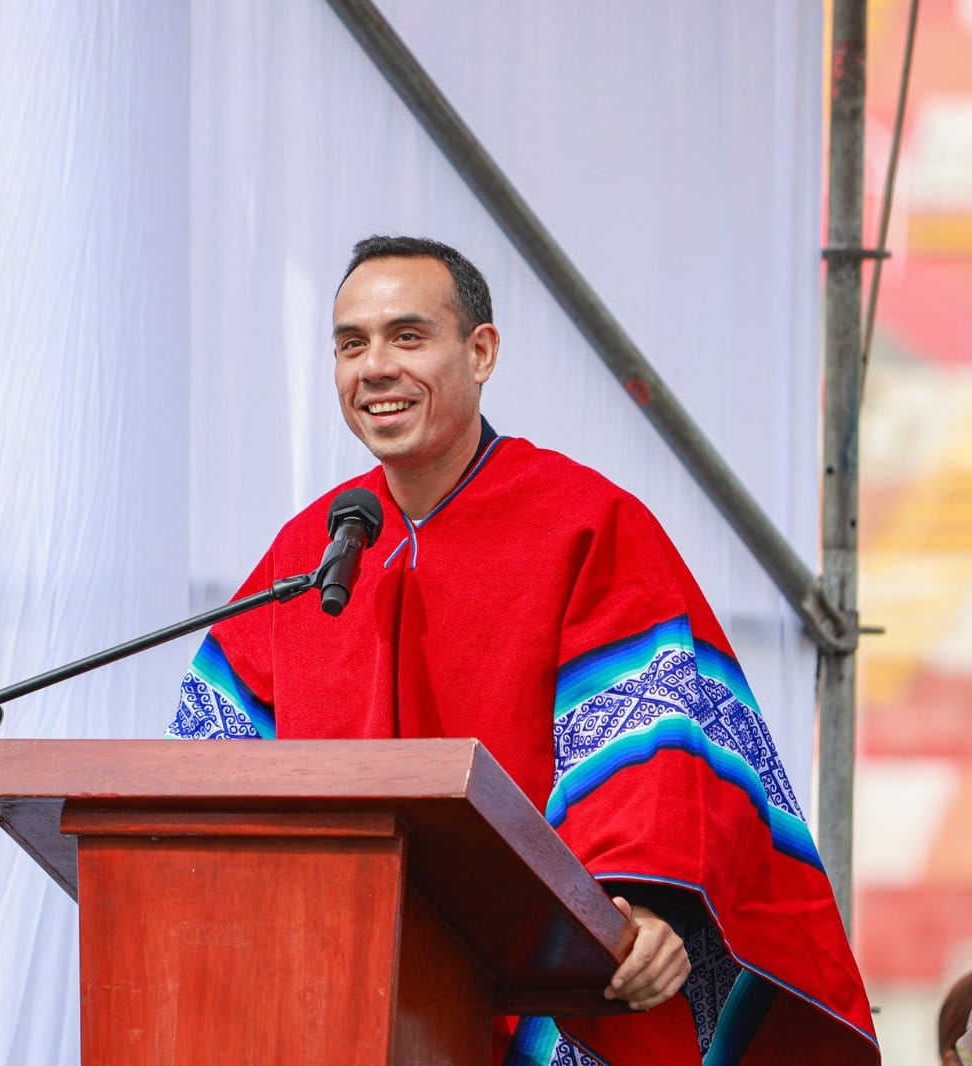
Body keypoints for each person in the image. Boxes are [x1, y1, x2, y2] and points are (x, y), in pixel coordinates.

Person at [167, 236, 878, 1064]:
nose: (374, 368)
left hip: (535, 981)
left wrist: (640, 904)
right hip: (343, 985)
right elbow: (210, 763)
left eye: (407, 336)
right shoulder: (311, 553)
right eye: (351, 344)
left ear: (481, 352)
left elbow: (654, 749)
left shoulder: (582, 524)